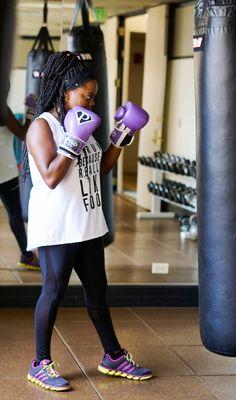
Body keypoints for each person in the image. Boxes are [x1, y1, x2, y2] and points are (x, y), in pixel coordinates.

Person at [25, 51, 152, 392]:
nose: (92, 103)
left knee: (98, 294)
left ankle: (112, 355)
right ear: (66, 92)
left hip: (89, 223)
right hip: (58, 226)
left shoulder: (80, 122)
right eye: (87, 96)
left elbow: (99, 169)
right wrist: (73, 141)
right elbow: (51, 177)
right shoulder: (43, 127)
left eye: (94, 97)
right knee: (53, 293)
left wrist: (121, 136)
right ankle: (39, 363)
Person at [0, 88, 40, 270]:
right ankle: (26, 255)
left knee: (15, 214)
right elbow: (24, 134)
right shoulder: (2, 109)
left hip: (5, 170)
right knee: (15, 214)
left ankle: (27, 255)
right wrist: (31, 112)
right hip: (4, 172)